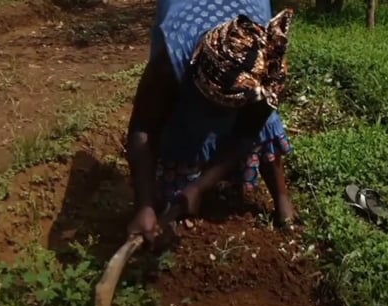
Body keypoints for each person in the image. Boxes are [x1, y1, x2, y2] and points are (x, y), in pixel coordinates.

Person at [125, 0, 298, 243]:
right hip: (185, 13)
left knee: (265, 122)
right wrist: (143, 204)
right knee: (179, 128)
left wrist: (199, 187)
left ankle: (281, 196)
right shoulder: (170, 60)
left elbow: (246, 134)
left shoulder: (264, 66)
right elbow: (143, 128)